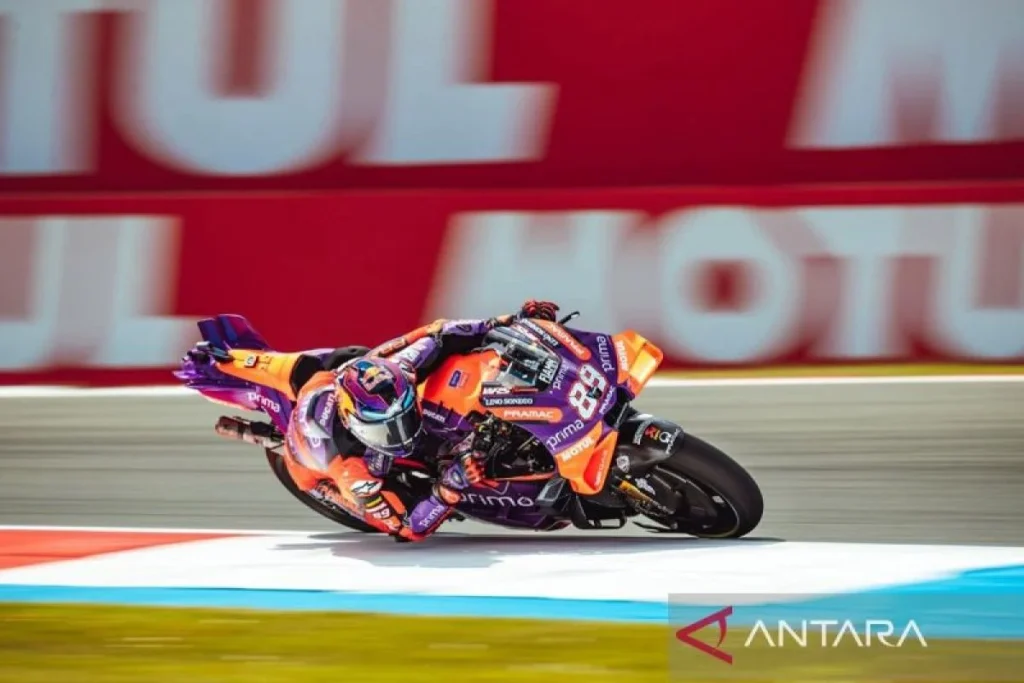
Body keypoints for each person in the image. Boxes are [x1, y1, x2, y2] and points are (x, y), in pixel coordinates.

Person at [185, 300, 560, 542]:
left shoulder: (400, 367)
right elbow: (408, 527)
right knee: (405, 505)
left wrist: (508, 322)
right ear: (360, 424)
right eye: (389, 427)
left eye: (403, 416)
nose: (402, 432)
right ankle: (271, 438)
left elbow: (440, 332)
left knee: (343, 356)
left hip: (329, 376)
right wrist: (451, 485)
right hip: (318, 467)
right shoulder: (353, 471)